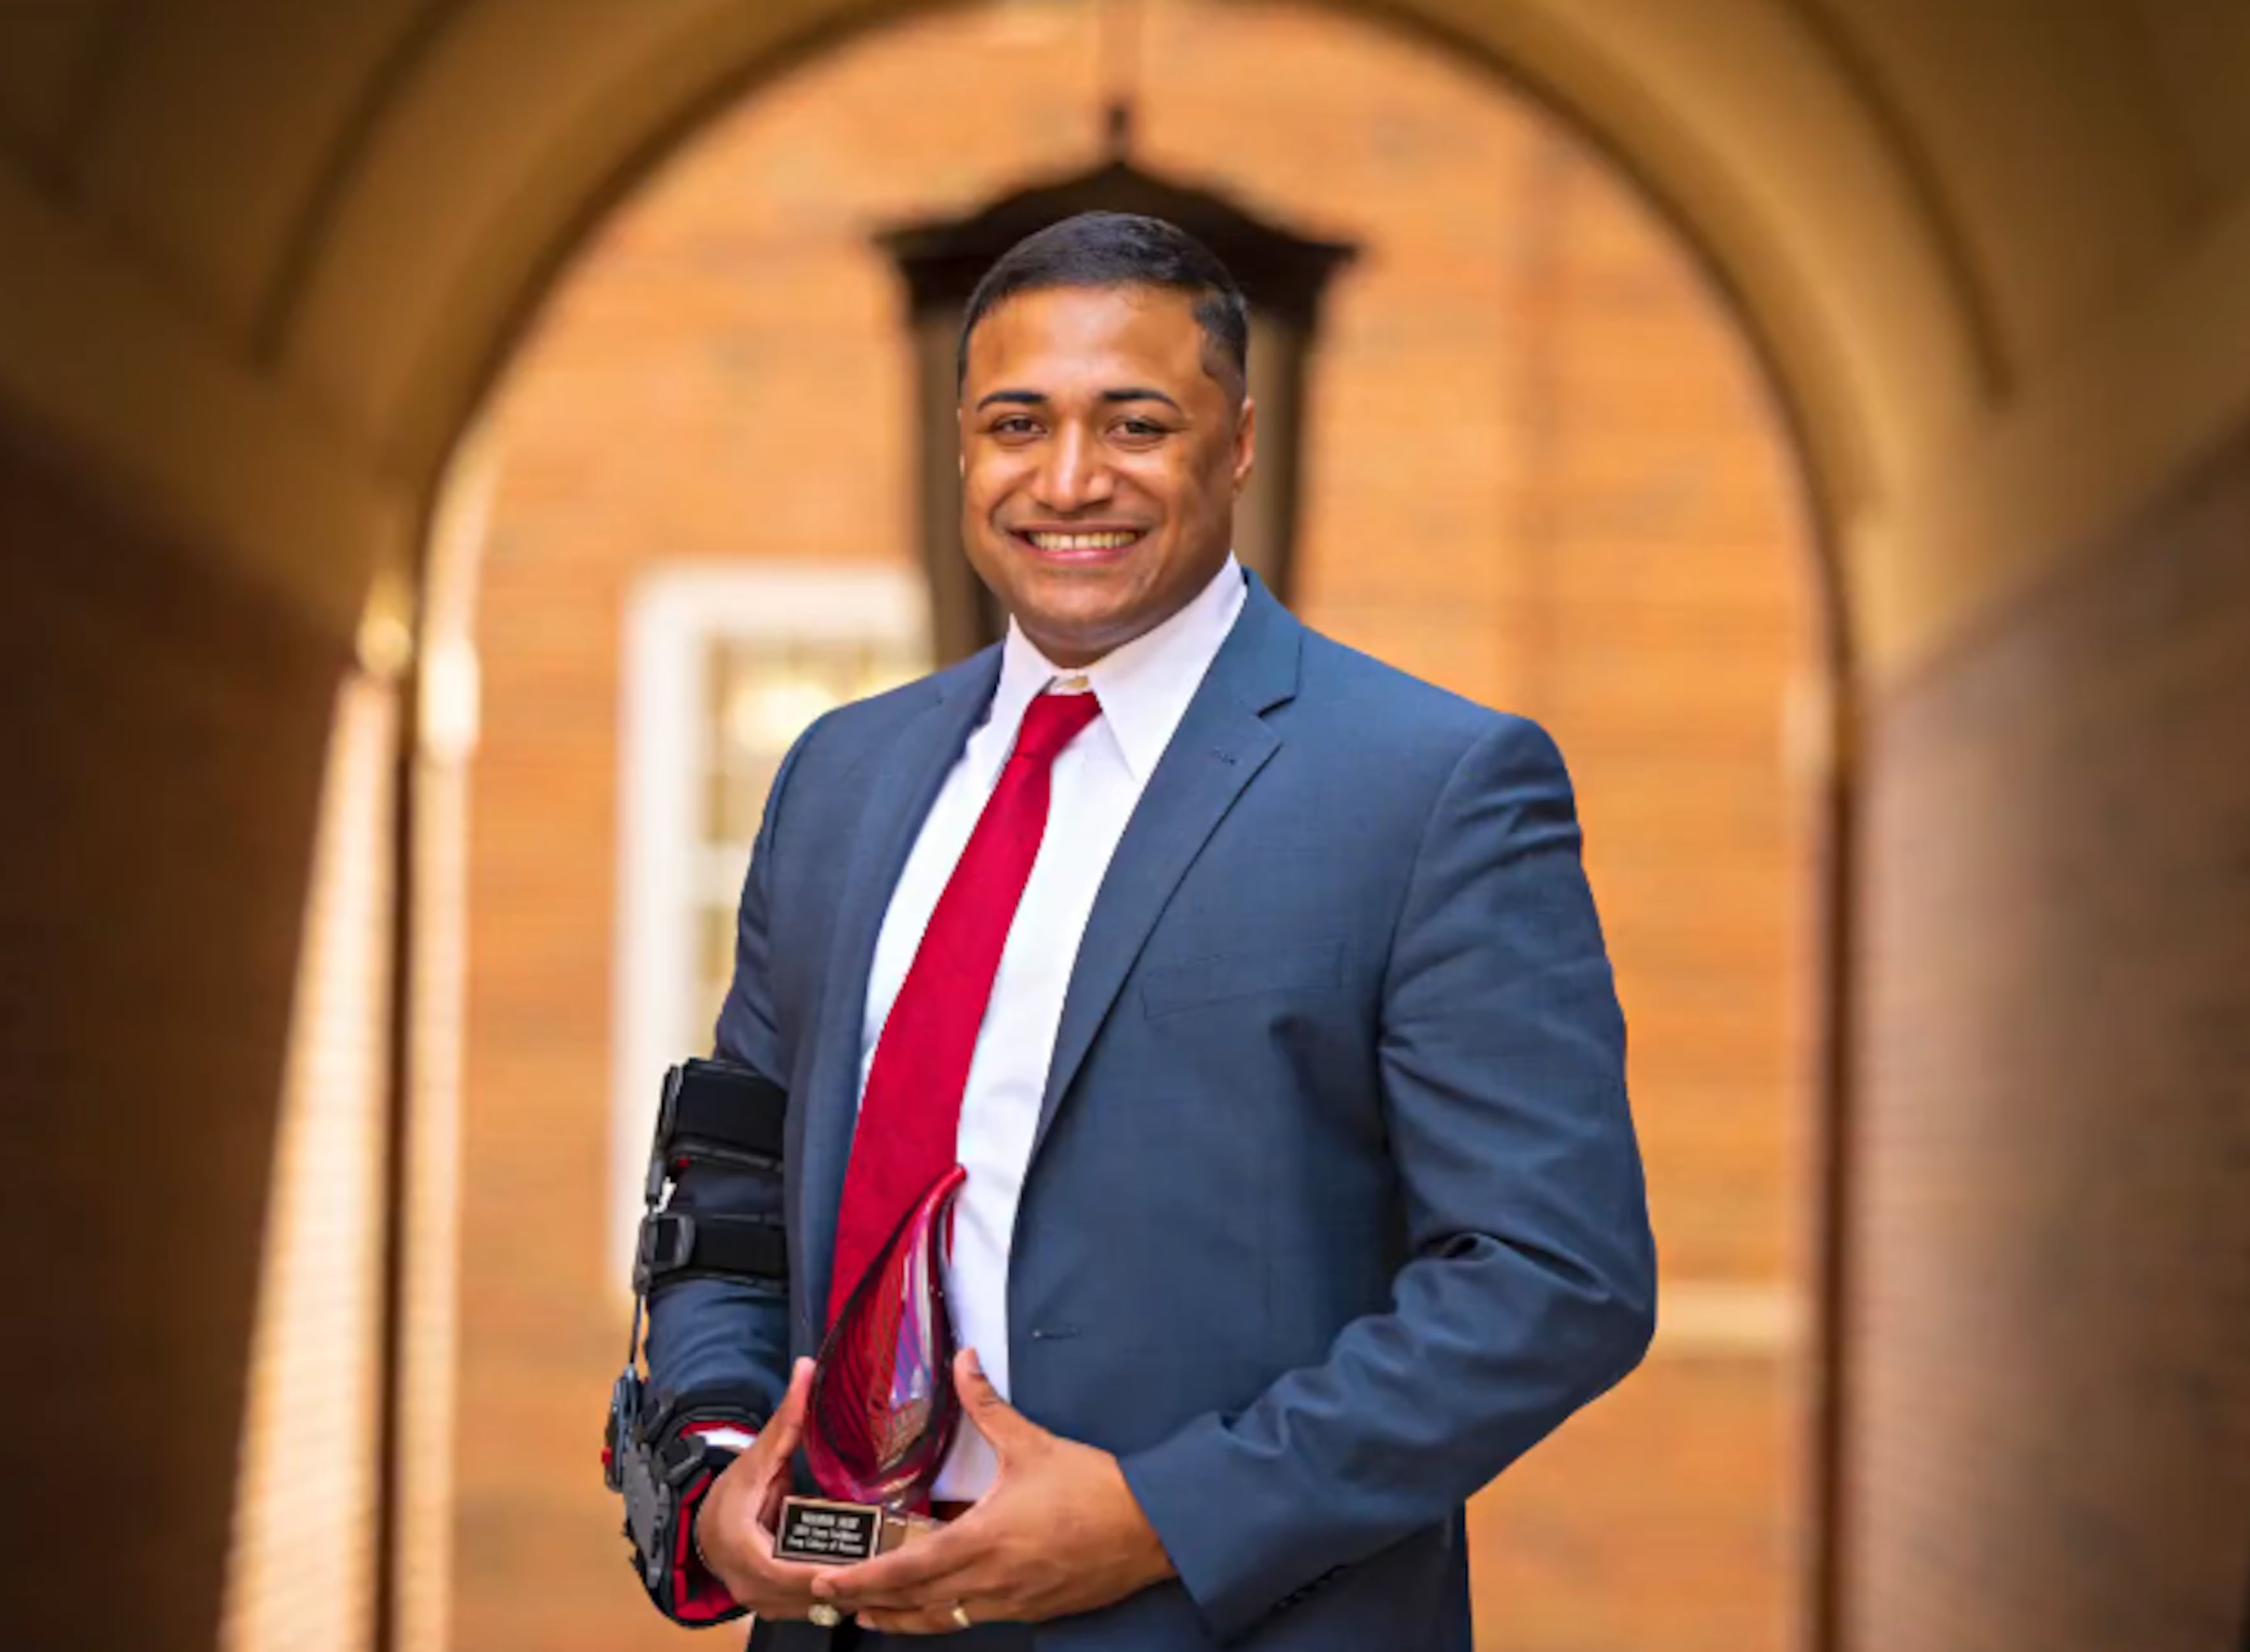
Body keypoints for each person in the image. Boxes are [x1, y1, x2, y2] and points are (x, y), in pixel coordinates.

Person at [634, 210, 1654, 1649]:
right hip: (835, 1618)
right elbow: (733, 1182)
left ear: (1239, 439)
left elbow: (1555, 1278)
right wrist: (717, 1455)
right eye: (1014, 423)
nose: (1068, 479)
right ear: (962, 444)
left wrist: (1170, 1512)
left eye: (1135, 423)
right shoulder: (839, 777)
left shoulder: (1429, 787)